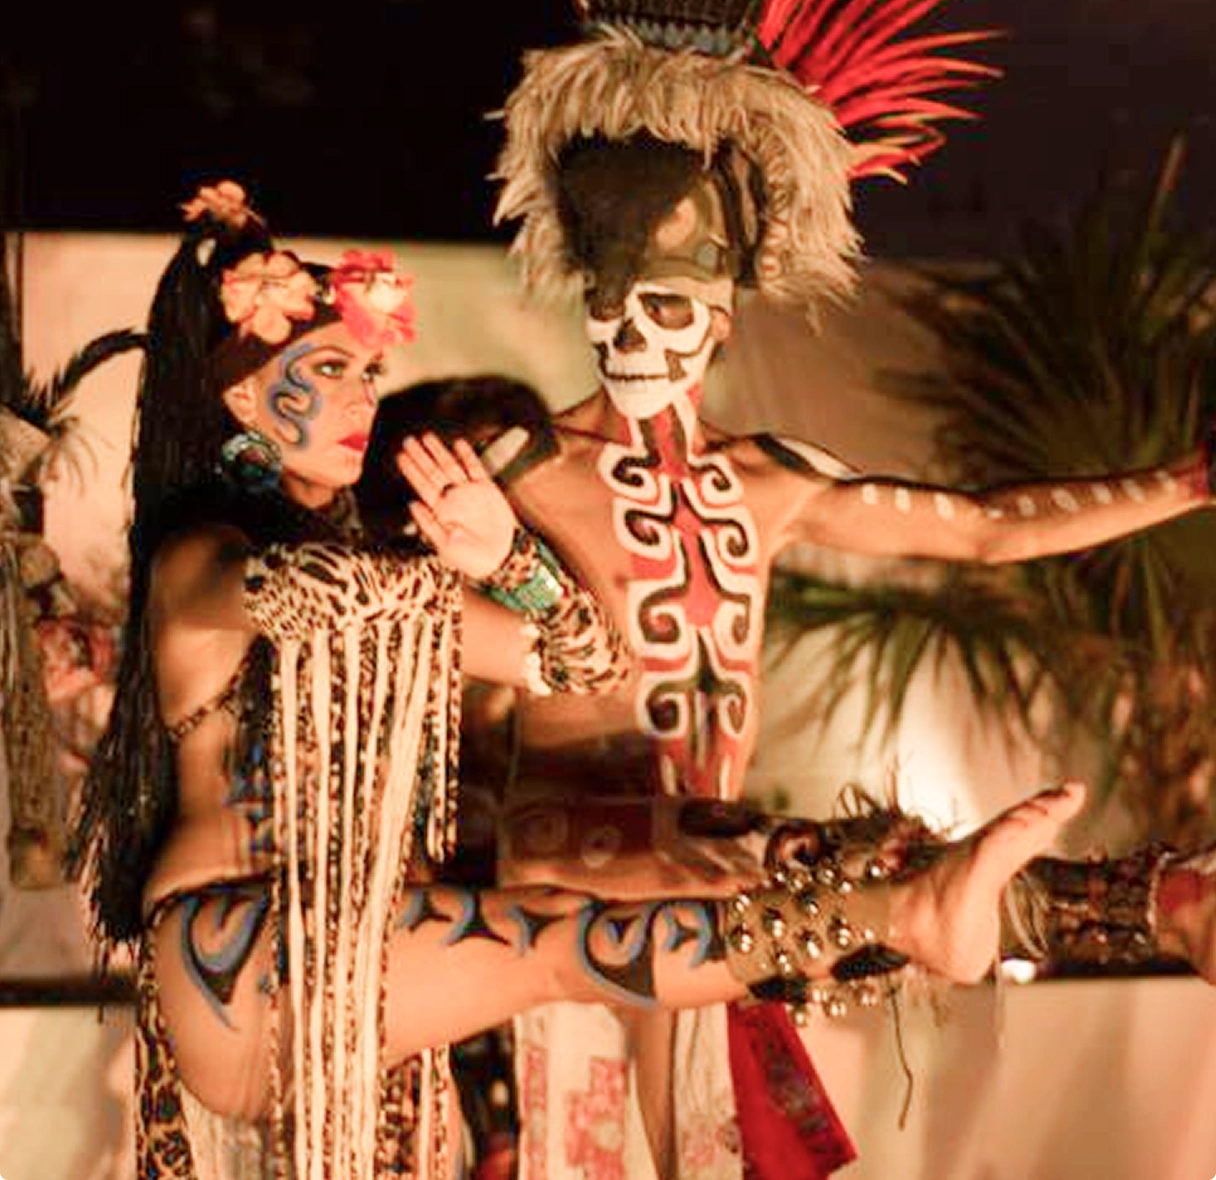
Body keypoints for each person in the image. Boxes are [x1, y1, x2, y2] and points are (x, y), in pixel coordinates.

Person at [370, 0, 1216, 1178]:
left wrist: (1191, 480)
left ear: (720, 310)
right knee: (803, 871)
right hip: (576, 856)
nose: (629, 334)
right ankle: (1114, 900)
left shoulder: (768, 481)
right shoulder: (517, 464)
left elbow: (984, 525)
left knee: (759, 978)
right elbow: (392, 626)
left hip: (714, 865)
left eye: (662, 308)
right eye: (608, 307)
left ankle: (1099, 898)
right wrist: (487, 559)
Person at [65, 182, 1085, 1180]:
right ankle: (894, 917)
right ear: (244, 395)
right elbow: (307, 591)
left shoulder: (394, 587)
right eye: (328, 366)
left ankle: (901, 915)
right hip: (235, 942)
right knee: (565, 938)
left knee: (573, 919)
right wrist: (450, 569)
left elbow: (583, 660)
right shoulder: (197, 560)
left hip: (369, 956)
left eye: (370, 369)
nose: (361, 396)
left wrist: (514, 560)